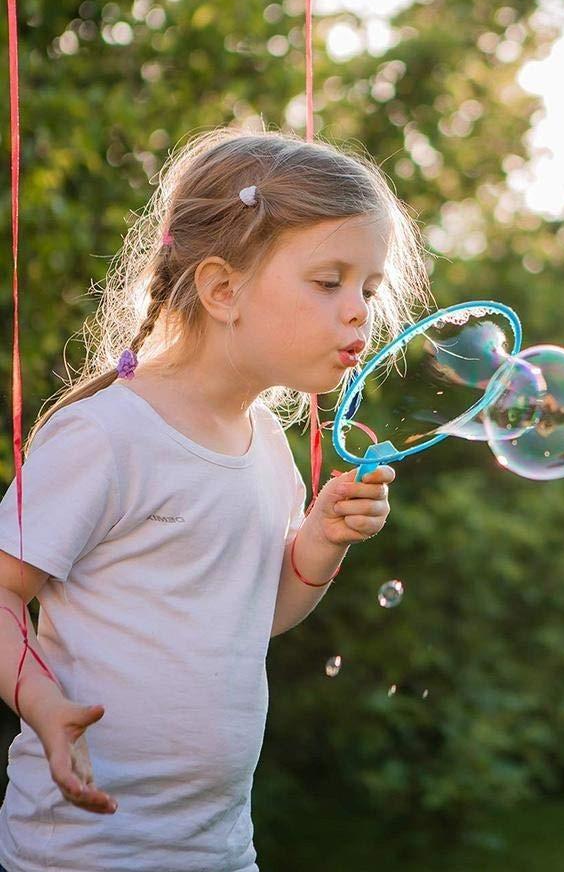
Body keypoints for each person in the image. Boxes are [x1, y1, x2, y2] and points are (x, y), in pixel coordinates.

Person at [0, 129, 432, 871]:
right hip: (81, 851)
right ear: (222, 289)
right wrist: (40, 702)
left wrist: (319, 542)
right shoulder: (107, 436)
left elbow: (256, 614)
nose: (359, 311)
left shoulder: (266, 445)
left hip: (219, 847)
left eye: (368, 286)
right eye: (329, 281)